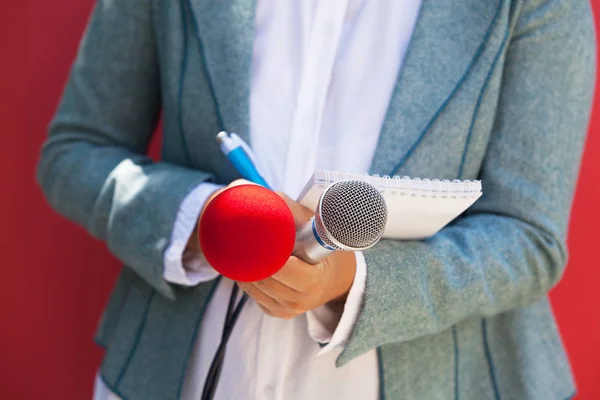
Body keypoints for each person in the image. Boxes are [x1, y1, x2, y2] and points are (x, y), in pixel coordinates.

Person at [36, 0, 596, 399]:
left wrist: (350, 283)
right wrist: (206, 219)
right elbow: (77, 149)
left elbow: (528, 237)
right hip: (176, 372)